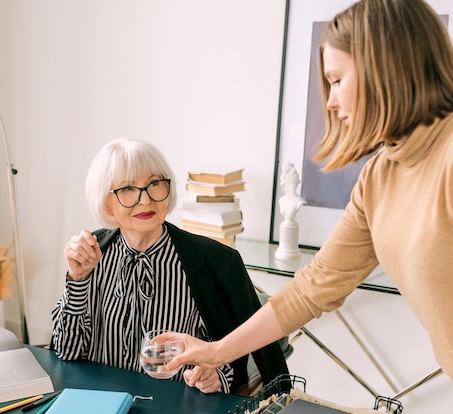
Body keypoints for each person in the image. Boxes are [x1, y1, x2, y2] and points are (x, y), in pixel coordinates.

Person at [160, 0, 453, 387]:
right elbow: (313, 287)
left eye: (336, 80)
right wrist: (217, 352)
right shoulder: (380, 177)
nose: (330, 102)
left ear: (383, 67)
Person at [50, 138, 289, 394]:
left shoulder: (216, 262)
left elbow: (235, 355)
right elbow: (68, 350)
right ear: (106, 203)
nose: (145, 200)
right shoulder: (92, 254)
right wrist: (78, 280)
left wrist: (216, 375)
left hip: (176, 409)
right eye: (128, 189)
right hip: (100, 404)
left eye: (154, 184)